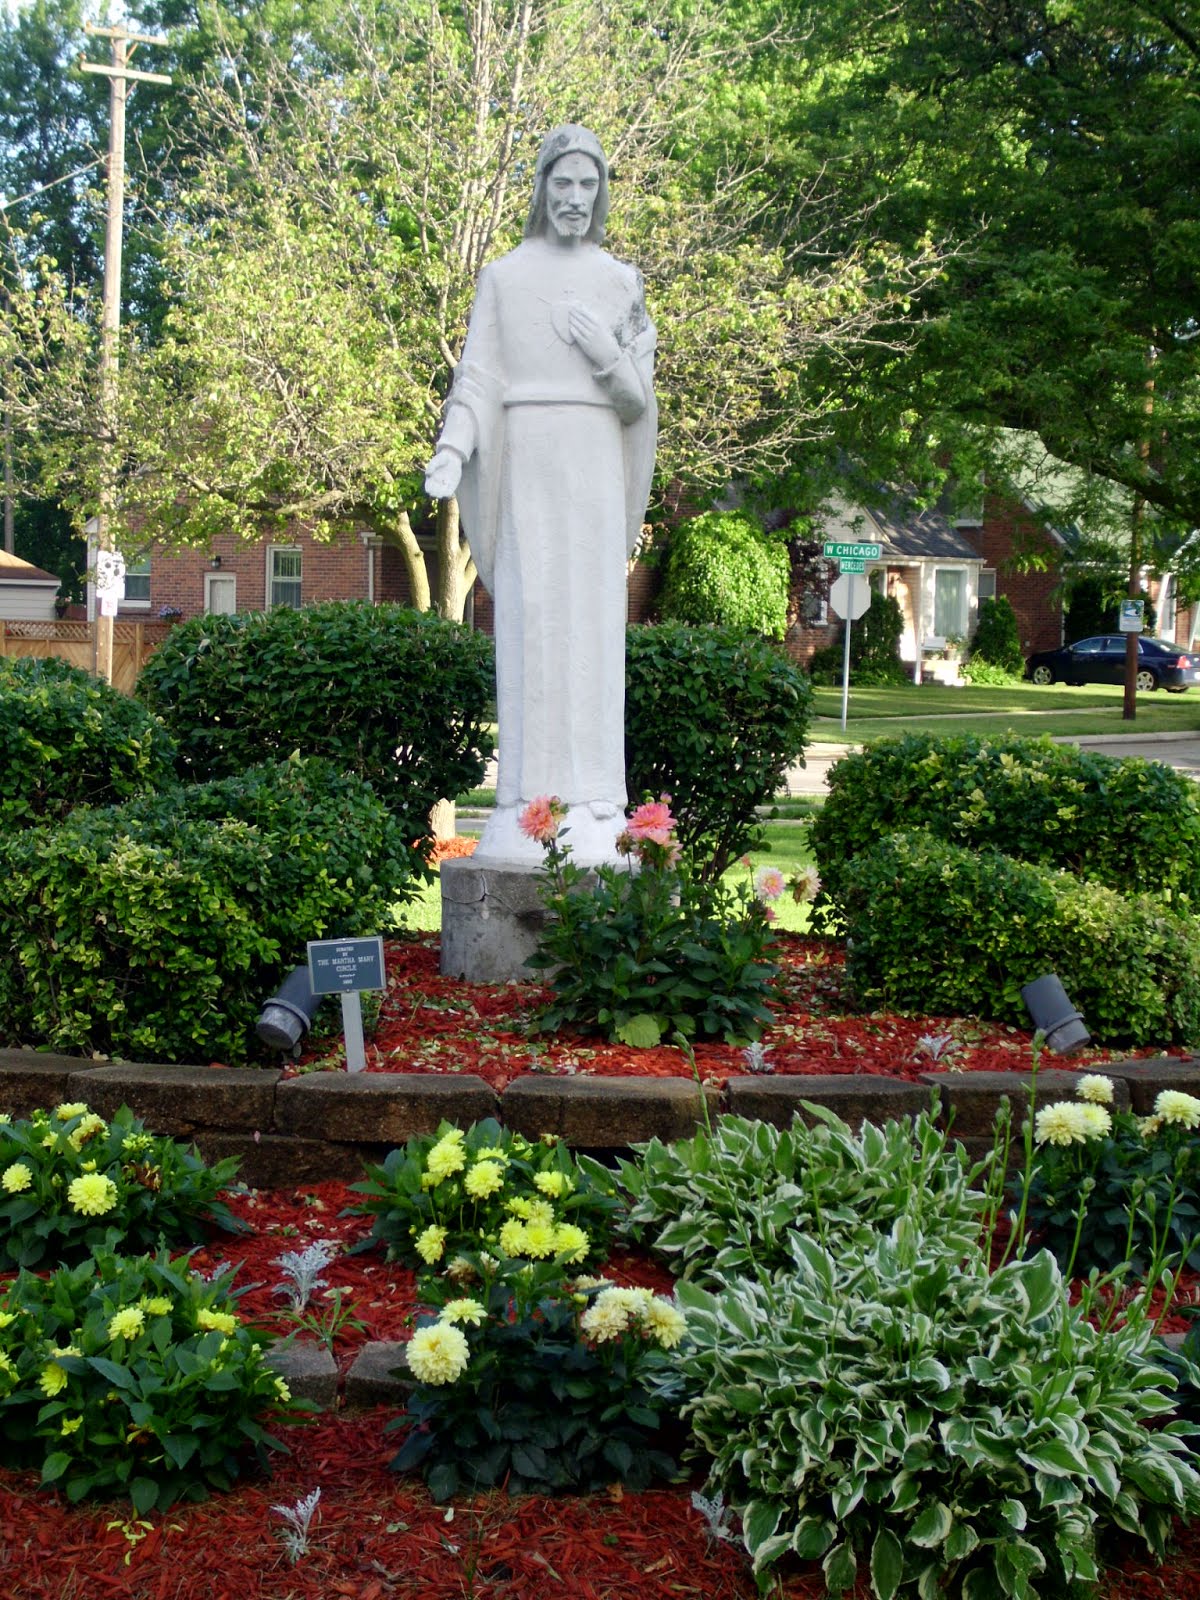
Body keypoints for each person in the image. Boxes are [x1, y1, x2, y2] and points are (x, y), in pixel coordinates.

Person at [425, 124, 657, 866]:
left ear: (601, 194)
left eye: (589, 185)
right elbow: (480, 379)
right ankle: (527, 802)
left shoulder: (622, 283)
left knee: (592, 627)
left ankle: (595, 803)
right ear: (542, 187)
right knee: (530, 623)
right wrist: (454, 447)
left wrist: (602, 351)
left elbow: (636, 401)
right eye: (563, 183)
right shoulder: (504, 277)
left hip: (593, 468)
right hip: (526, 466)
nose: (575, 199)